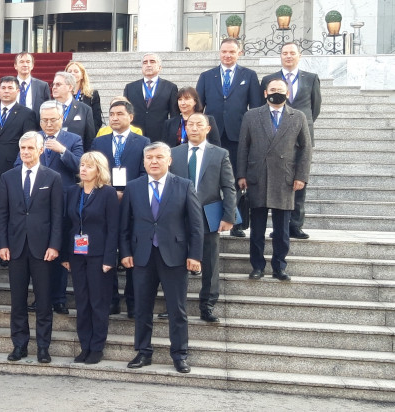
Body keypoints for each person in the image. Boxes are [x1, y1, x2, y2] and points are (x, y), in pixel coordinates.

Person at [120, 142, 204, 374]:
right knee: (142, 307)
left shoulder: (184, 186)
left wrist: (195, 255)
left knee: (177, 309)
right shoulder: (133, 187)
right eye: (149, 158)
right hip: (142, 257)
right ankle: (143, 352)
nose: (154, 161)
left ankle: (179, 354)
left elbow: (196, 225)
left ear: (169, 160)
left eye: (159, 157)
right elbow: (124, 225)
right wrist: (125, 252)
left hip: (175, 257)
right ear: (144, 162)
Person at [0, 131, 63, 364]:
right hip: (15, 248)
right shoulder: (8, 177)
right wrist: (2, 244)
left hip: (43, 249)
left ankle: (43, 347)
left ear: (40, 150)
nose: (25, 152)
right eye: (22, 148)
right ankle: (19, 345)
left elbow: (58, 216)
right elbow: (2, 214)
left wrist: (55, 245)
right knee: (18, 300)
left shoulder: (52, 178)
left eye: (30, 148)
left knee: (44, 301)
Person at [238, 78, 312, 282]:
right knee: (257, 228)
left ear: (287, 93)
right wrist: (241, 174)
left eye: (280, 90)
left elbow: (306, 148)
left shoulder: (298, 117)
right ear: (265, 93)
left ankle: (279, 266)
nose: (276, 93)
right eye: (272, 90)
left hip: (285, 178)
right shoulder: (252, 115)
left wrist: (301, 176)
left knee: (281, 229)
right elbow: (243, 146)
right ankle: (257, 266)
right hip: (257, 176)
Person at [16, 100, 82, 314]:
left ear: (61, 119)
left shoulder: (73, 139)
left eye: (53, 120)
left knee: (59, 250)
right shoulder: (32, 139)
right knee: (39, 253)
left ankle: (59, 298)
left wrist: (63, 151)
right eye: (44, 120)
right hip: (34, 205)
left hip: (63, 203)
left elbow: (82, 167)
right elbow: (19, 165)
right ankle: (40, 297)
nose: (48, 124)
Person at [170, 113, 236, 323]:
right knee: (175, 262)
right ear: (185, 128)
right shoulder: (174, 153)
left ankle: (207, 305)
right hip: (177, 217)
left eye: (199, 125)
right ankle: (173, 304)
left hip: (208, 216)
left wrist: (229, 216)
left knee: (210, 262)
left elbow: (228, 187)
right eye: (190, 124)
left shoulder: (220, 154)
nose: (194, 128)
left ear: (208, 129)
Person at [90, 99, 150, 318]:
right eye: (111, 114)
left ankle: (132, 302)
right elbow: (93, 170)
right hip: (105, 203)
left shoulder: (143, 142)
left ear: (130, 117)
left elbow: (146, 173)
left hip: (132, 204)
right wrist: (107, 191)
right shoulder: (100, 142)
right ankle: (112, 299)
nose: (114, 118)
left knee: (130, 251)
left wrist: (128, 192)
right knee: (107, 250)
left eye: (119, 114)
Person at [199, 38, 263, 238]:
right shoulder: (207, 76)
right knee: (209, 179)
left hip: (238, 135)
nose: (227, 55)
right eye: (224, 51)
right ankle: (208, 220)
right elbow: (199, 108)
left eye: (232, 52)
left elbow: (256, 108)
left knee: (235, 179)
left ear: (239, 53)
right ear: (219, 53)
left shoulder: (249, 76)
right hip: (211, 135)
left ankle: (234, 222)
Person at [61, 151, 118, 365]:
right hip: (77, 254)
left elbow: (113, 228)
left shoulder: (107, 193)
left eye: (89, 166)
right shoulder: (73, 192)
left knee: (98, 302)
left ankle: (97, 347)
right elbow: (68, 225)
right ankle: (85, 346)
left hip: (99, 255)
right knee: (82, 301)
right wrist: (66, 255)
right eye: (82, 165)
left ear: (99, 170)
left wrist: (109, 259)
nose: (83, 169)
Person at [260, 42, 321, 240]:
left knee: (300, 181)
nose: (288, 56)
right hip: (276, 139)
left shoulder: (311, 79)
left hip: (301, 135)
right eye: (285, 53)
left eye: (292, 53)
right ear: (280, 56)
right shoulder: (270, 80)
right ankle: (278, 226)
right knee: (276, 183)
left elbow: (315, 107)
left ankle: (295, 225)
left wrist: (300, 125)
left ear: (299, 56)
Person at [0, 76, 40, 265]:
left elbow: (28, 142)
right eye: (3, 87)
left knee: (9, 212)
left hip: (12, 170)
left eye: (10, 88)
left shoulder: (26, 113)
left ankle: (7, 252)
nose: (6, 91)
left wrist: (18, 166)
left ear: (18, 91)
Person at [123, 53, 179, 142]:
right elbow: (125, 112)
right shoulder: (130, 88)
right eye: (145, 62)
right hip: (135, 136)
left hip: (160, 136)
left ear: (160, 67)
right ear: (142, 68)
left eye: (152, 62)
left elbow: (174, 115)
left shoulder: (170, 87)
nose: (148, 65)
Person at [50, 71, 96, 151]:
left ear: (70, 87)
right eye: (53, 84)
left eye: (58, 84)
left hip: (75, 158)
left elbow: (89, 140)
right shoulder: (47, 108)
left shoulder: (84, 110)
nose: (54, 87)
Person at [66, 61, 104, 131]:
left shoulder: (92, 95)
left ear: (82, 75)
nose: (72, 73)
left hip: (85, 133)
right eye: (69, 71)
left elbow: (97, 119)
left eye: (76, 71)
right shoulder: (62, 94)